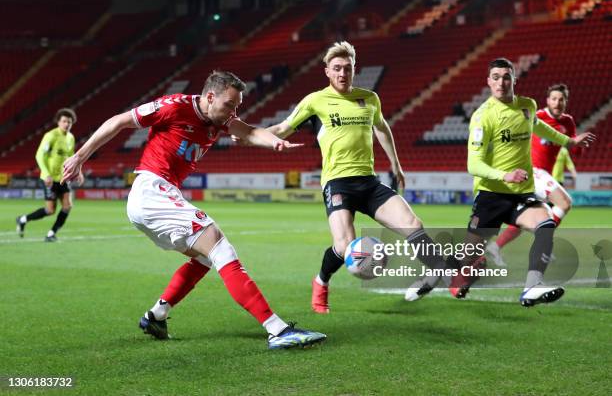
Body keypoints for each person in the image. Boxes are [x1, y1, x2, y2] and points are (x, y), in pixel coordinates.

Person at [61, 71, 326, 349]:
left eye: (237, 107)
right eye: (229, 105)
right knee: (219, 246)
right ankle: (277, 330)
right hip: (152, 190)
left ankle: (156, 315)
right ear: (210, 97)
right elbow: (119, 121)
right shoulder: (175, 106)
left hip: (158, 198)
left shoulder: (220, 120)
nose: (232, 112)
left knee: (205, 258)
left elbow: (248, 131)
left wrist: (275, 141)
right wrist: (79, 157)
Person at [266, 41, 447, 311]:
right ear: (326, 71)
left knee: (412, 222)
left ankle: (434, 271)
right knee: (343, 246)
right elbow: (282, 127)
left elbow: (383, 129)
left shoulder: (369, 98)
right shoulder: (315, 100)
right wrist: (251, 137)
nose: (342, 74)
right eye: (336, 68)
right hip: (338, 183)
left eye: (347, 69)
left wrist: (396, 165)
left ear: (354, 70)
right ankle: (321, 281)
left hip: (369, 182)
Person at [439, 59, 594, 306]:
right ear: (488, 81)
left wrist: (569, 142)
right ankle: (436, 277)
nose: (501, 82)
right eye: (496, 77)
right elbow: (473, 165)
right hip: (492, 194)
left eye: (506, 77)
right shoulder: (482, 117)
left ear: (514, 80)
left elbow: (540, 127)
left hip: (521, 192)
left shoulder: (527, 106)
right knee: (468, 256)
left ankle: (532, 287)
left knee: (545, 224)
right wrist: (504, 175)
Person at [486, 84, 579, 267]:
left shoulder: (568, 122)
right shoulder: (539, 117)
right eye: (554, 98)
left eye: (561, 99)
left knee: (529, 217)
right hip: (532, 171)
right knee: (564, 203)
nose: (557, 102)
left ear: (566, 102)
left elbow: (573, 145)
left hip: (544, 175)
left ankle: (496, 247)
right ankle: (544, 243)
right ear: (547, 100)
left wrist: (577, 147)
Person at [16, 108, 83, 242]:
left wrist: (78, 171)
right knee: (50, 210)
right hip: (50, 179)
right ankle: (22, 219)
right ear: (58, 122)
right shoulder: (51, 136)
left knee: (67, 206)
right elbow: (39, 155)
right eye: (64, 121)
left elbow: (71, 156)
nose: (67, 124)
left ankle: (51, 234)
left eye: (69, 122)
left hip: (63, 178)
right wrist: (46, 174)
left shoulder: (70, 138)